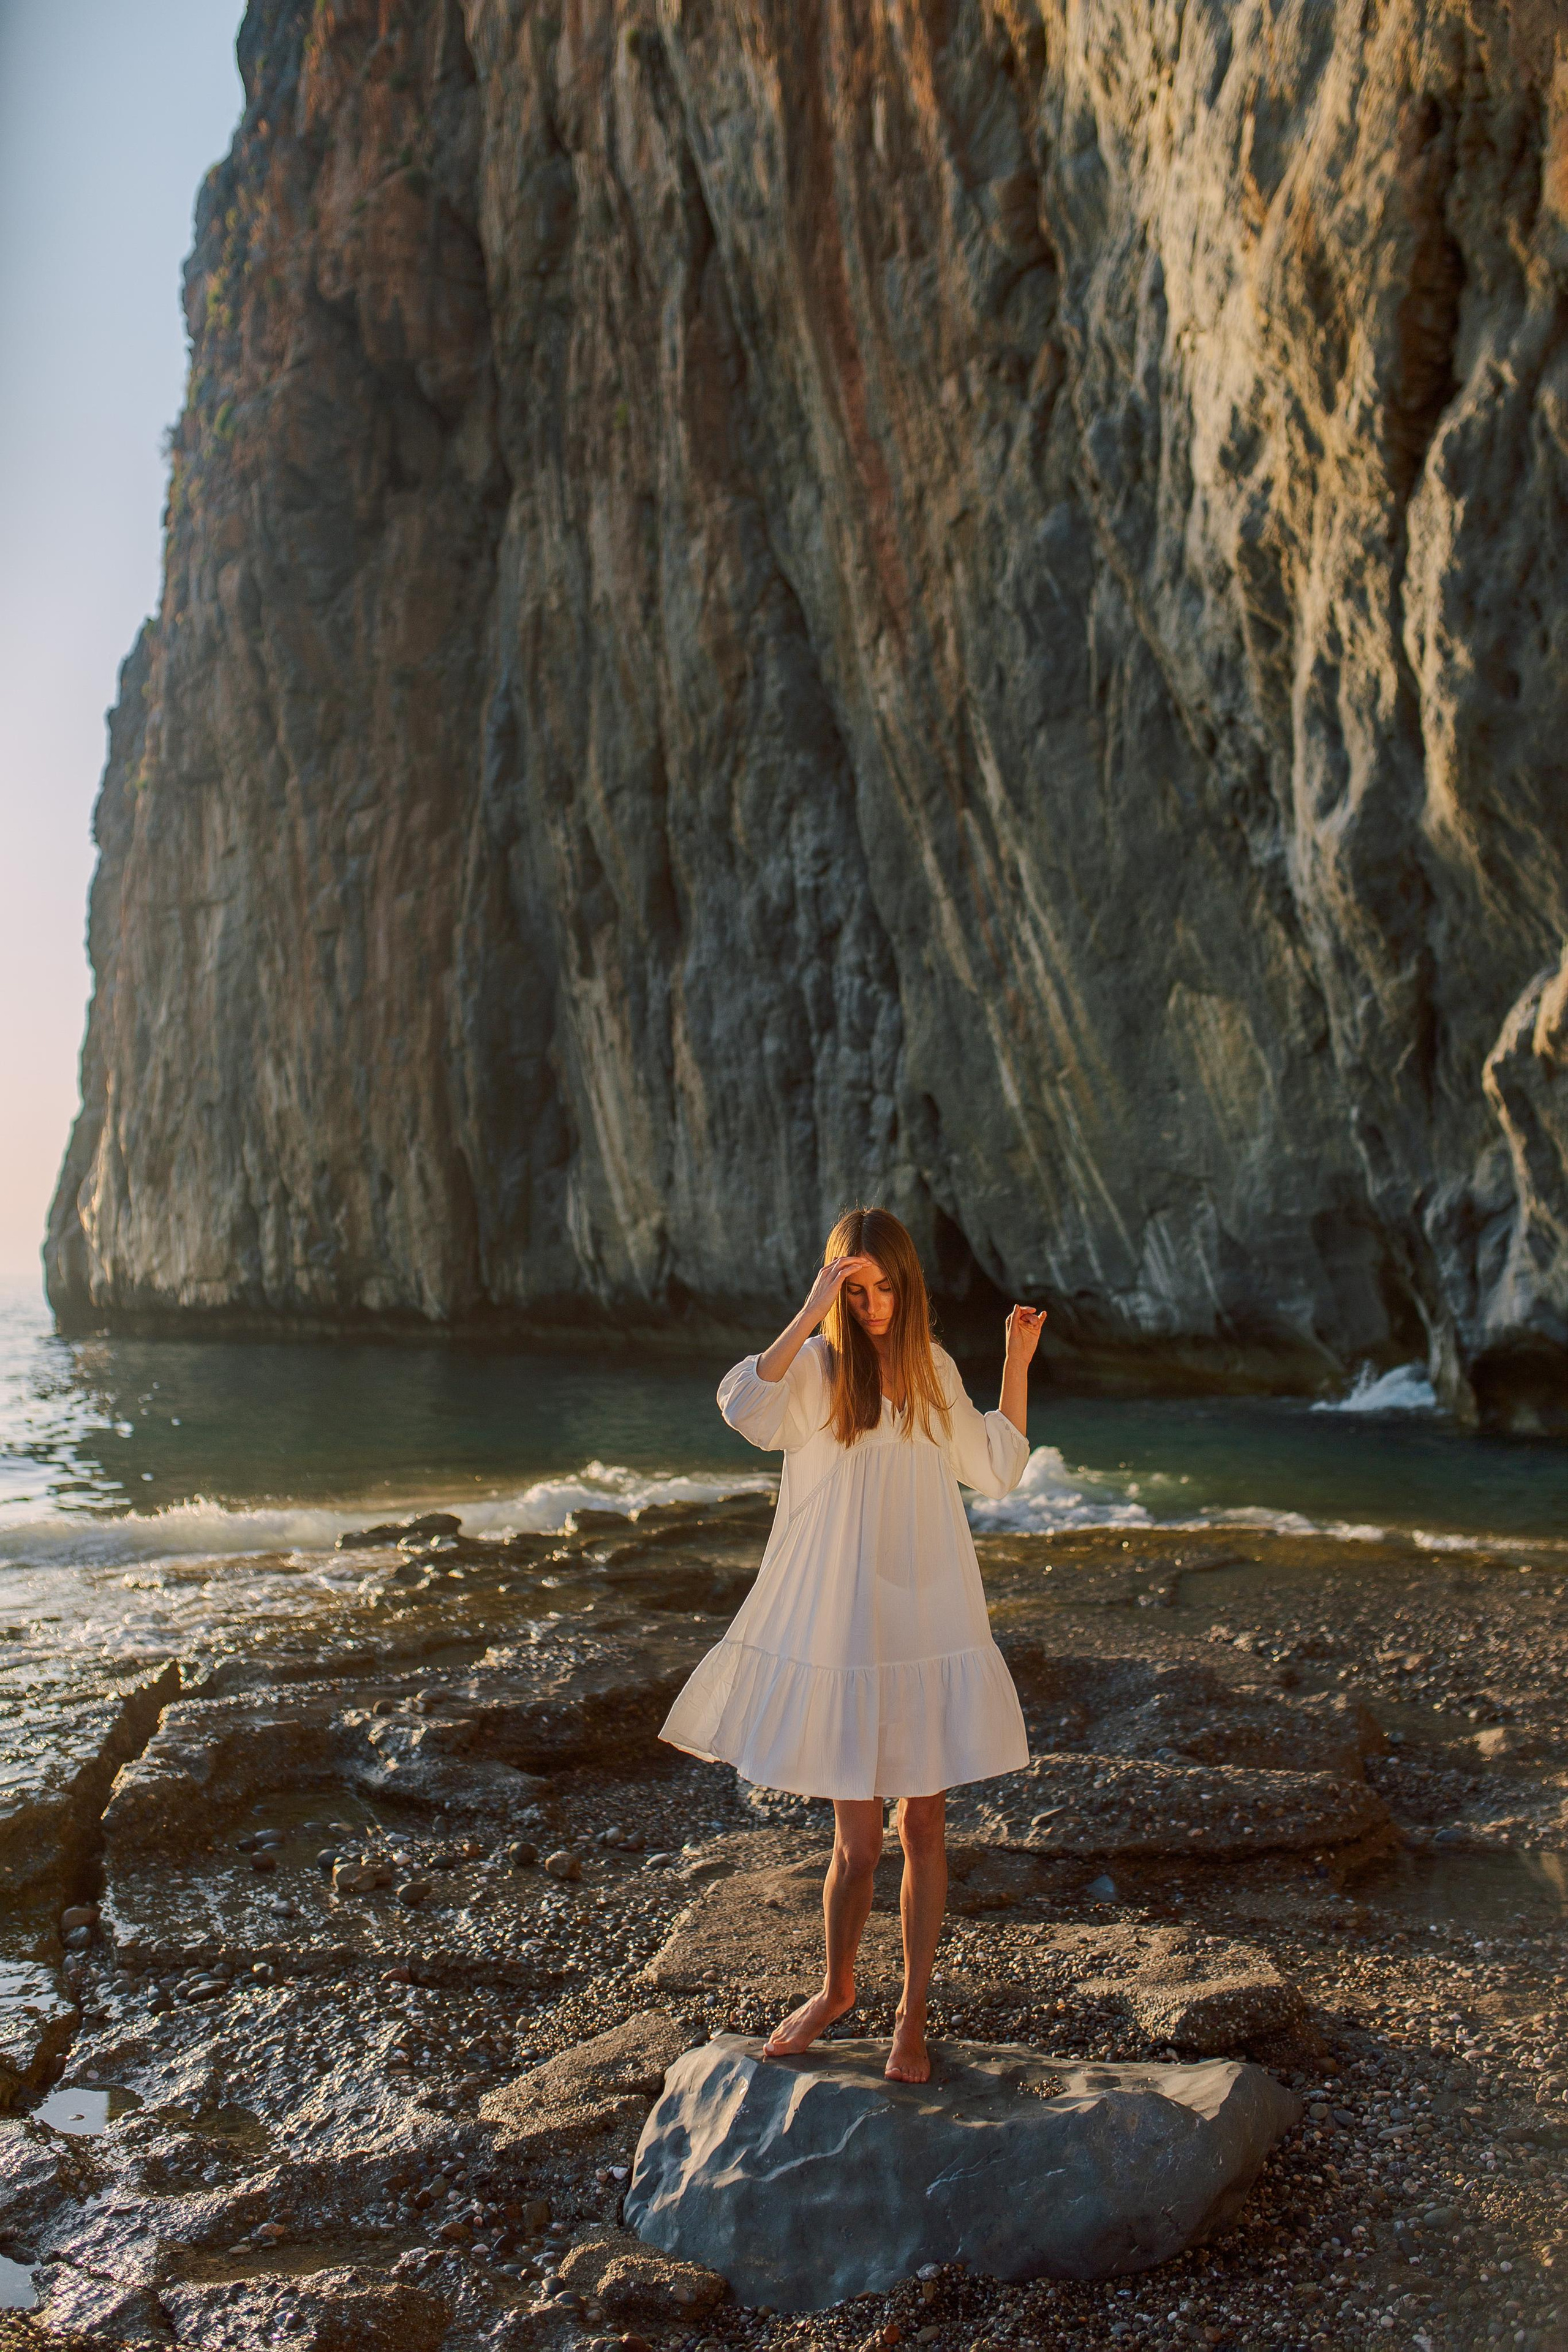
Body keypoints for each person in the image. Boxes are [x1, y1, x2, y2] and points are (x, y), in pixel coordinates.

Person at [658, 1204, 1045, 2082]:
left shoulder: (931, 1367)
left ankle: (912, 2015)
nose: (871, 1305)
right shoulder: (818, 1371)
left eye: (884, 1288)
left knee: (926, 1826)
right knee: (858, 1845)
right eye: (854, 1288)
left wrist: (1016, 1365)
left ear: (908, 1286)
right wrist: (809, 1311)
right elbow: (742, 1406)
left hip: (929, 1615)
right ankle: (837, 1991)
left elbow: (997, 1465)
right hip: (848, 1628)